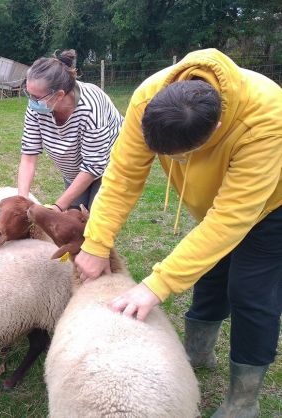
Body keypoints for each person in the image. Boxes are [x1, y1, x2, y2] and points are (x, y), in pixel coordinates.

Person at [74, 49, 281, 417]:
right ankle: (198, 353)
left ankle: (243, 400)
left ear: (215, 131)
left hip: (268, 208)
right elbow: (122, 177)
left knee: (250, 292)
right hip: (212, 204)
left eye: (179, 158)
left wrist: (157, 285)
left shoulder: (267, 117)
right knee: (211, 273)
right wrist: (96, 241)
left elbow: (232, 218)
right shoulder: (149, 97)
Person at [18, 49, 123, 212]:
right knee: (74, 216)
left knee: (97, 219)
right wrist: (22, 201)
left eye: (36, 97)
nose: (31, 102)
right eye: (28, 94)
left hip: (111, 166)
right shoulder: (38, 106)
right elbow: (28, 156)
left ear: (59, 95)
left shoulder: (90, 108)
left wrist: (57, 207)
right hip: (75, 170)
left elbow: (94, 165)